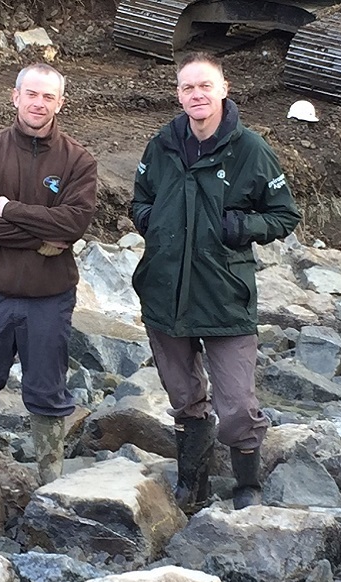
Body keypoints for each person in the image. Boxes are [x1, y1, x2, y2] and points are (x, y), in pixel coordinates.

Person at [131, 52, 301, 512]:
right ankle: (193, 485)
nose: (197, 95)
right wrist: (153, 220)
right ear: (178, 94)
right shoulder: (162, 145)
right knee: (185, 399)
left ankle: (247, 487)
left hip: (226, 295)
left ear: (224, 88)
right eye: (188, 88)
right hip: (165, 292)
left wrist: (240, 229)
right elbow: (139, 200)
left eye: (205, 86)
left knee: (238, 407)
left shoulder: (251, 150)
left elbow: (285, 214)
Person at [0, 63, 98, 484]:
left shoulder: (78, 160)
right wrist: (40, 237)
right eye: (31, 94)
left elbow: (73, 225)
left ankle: (48, 482)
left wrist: (10, 210)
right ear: (15, 96)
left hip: (48, 298)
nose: (39, 103)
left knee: (47, 393)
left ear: (60, 103)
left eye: (48, 97)